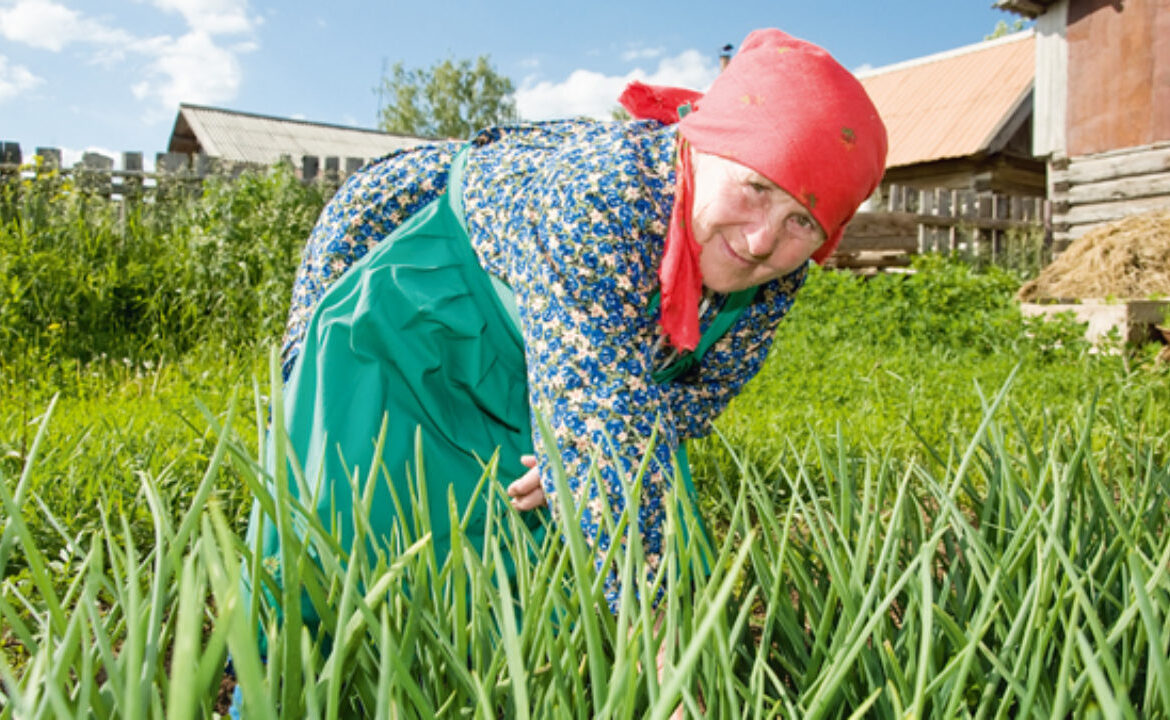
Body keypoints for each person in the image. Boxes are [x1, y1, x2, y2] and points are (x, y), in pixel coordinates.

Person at [248, 27, 886, 626]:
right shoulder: (603, 197)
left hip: (563, 340)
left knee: (550, 552)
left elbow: (696, 394)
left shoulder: (778, 271)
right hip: (423, 289)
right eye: (754, 188)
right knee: (350, 527)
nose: (760, 239)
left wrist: (575, 460)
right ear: (699, 149)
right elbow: (600, 415)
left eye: (803, 222)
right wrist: (658, 636)